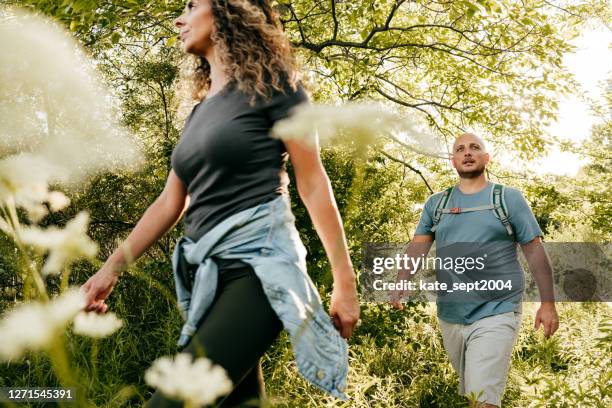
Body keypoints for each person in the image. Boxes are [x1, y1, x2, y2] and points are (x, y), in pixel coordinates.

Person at [80, 0, 360, 406]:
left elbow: (313, 183)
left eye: (192, 5)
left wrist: (344, 281)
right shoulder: (198, 114)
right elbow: (169, 202)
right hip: (209, 280)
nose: (180, 18)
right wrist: (109, 270)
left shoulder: (277, 88)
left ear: (231, 10)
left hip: (259, 272)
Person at [390, 133, 559, 408]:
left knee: (483, 399)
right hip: (451, 314)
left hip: (497, 311)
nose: (467, 152)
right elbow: (418, 246)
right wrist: (401, 281)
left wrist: (548, 303)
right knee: (474, 396)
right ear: (453, 160)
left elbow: (535, 251)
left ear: (486, 157)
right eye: (460, 149)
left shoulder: (508, 199)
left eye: (475, 147)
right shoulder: (437, 204)